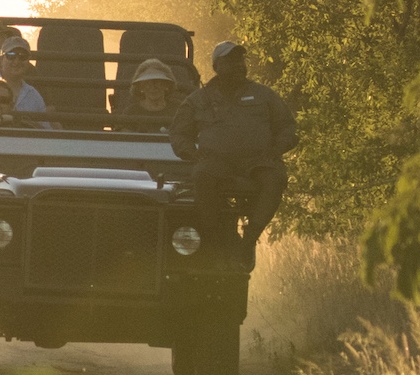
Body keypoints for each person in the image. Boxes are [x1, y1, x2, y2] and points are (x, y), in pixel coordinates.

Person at [171, 41, 296, 269]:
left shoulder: (264, 95)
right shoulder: (199, 99)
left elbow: (287, 127)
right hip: (215, 162)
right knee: (201, 176)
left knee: (276, 178)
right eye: (231, 61)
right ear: (218, 66)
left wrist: (276, 150)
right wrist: (190, 152)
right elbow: (179, 132)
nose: (239, 65)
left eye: (240, 61)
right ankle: (215, 239)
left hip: (257, 161)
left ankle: (249, 238)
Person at [117, 57, 180, 132]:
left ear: (166, 85)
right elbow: (125, 140)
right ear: (140, 87)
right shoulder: (131, 112)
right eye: (147, 83)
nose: (153, 87)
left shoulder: (179, 109)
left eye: (157, 81)